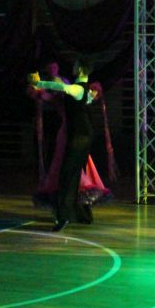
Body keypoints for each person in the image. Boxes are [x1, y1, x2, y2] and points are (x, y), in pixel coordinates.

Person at [28, 56, 96, 230]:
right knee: (72, 175)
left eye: (75, 65)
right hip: (81, 135)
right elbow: (85, 100)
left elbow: (61, 87)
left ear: (80, 69)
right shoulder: (83, 89)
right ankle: (76, 214)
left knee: (67, 176)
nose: (72, 67)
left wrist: (39, 83)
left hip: (79, 136)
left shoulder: (78, 88)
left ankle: (64, 216)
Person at [27, 60, 70, 206]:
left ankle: (54, 177)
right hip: (45, 118)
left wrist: (47, 95)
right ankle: (42, 173)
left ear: (58, 68)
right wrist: (37, 93)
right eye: (50, 67)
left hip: (58, 117)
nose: (52, 69)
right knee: (41, 145)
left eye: (54, 67)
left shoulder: (63, 81)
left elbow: (63, 97)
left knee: (55, 147)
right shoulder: (42, 81)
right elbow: (33, 93)